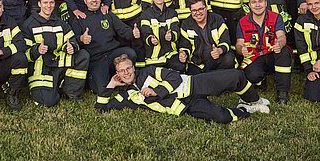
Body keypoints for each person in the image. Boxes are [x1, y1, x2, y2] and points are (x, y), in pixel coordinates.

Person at [95, 54, 270, 124]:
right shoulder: (126, 96)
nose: (126, 73)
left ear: (133, 67)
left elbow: (174, 77)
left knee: (235, 76)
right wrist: (111, 85)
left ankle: (254, 100)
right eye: (121, 71)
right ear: (117, 73)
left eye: (128, 68)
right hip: (186, 106)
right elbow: (101, 109)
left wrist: (158, 91)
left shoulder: (148, 71)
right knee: (222, 117)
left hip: (192, 84)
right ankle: (245, 109)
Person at [21, 0, 90, 106]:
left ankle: (70, 91)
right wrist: (36, 50)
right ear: (39, 4)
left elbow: (71, 38)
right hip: (41, 68)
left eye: (51, 3)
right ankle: (54, 88)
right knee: (48, 102)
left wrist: (71, 46)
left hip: (58, 63)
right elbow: (24, 53)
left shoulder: (60, 22)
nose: (49, 6)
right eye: (45, 2)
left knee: (83, 55)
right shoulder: (28, 24)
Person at [70, 0, 138, 94]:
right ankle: (105, 77)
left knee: (131, 53)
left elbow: (123, 30)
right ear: (85, 1)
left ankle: (123, 77)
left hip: (113, 54)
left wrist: (133, 33)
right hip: (96, 59)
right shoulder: (79, 19)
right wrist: (81, 39)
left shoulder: (107, 14)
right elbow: (74, 41)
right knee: (101, 90)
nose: (94, 0)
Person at [235, 0, 292, 104]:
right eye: (254, 2)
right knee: (252, 76)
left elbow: (281, 36)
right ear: (249, 5)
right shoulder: (242, 21)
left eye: (260, 1)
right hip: (255, 56)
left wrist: (279, 44)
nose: (257, 5)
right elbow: (239, 43)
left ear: (266, 3)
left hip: (273, 54)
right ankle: (261, 80)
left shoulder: (276, 17)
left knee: (284, 52)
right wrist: (242, 50)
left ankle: (282, 92)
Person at [178, 0, 237, 74]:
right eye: (194, 10)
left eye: (200, 9)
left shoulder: (217, 19)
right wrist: (183, 54)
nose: (198, 13)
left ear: (206, 8)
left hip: (216, 58)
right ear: (190, 11)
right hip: (197, 62)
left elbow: (226, 41)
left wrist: (219, 50)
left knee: (228, 59)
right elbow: (184, 45)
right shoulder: (186, 24)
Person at [138, 0, 184, 71]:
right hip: (153, 58)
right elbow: (145, 33)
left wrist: (172, 36)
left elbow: (176, 30)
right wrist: (150, 39)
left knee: (181, 68)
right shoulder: (146, 14)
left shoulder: (172, 12)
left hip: (171, 54)